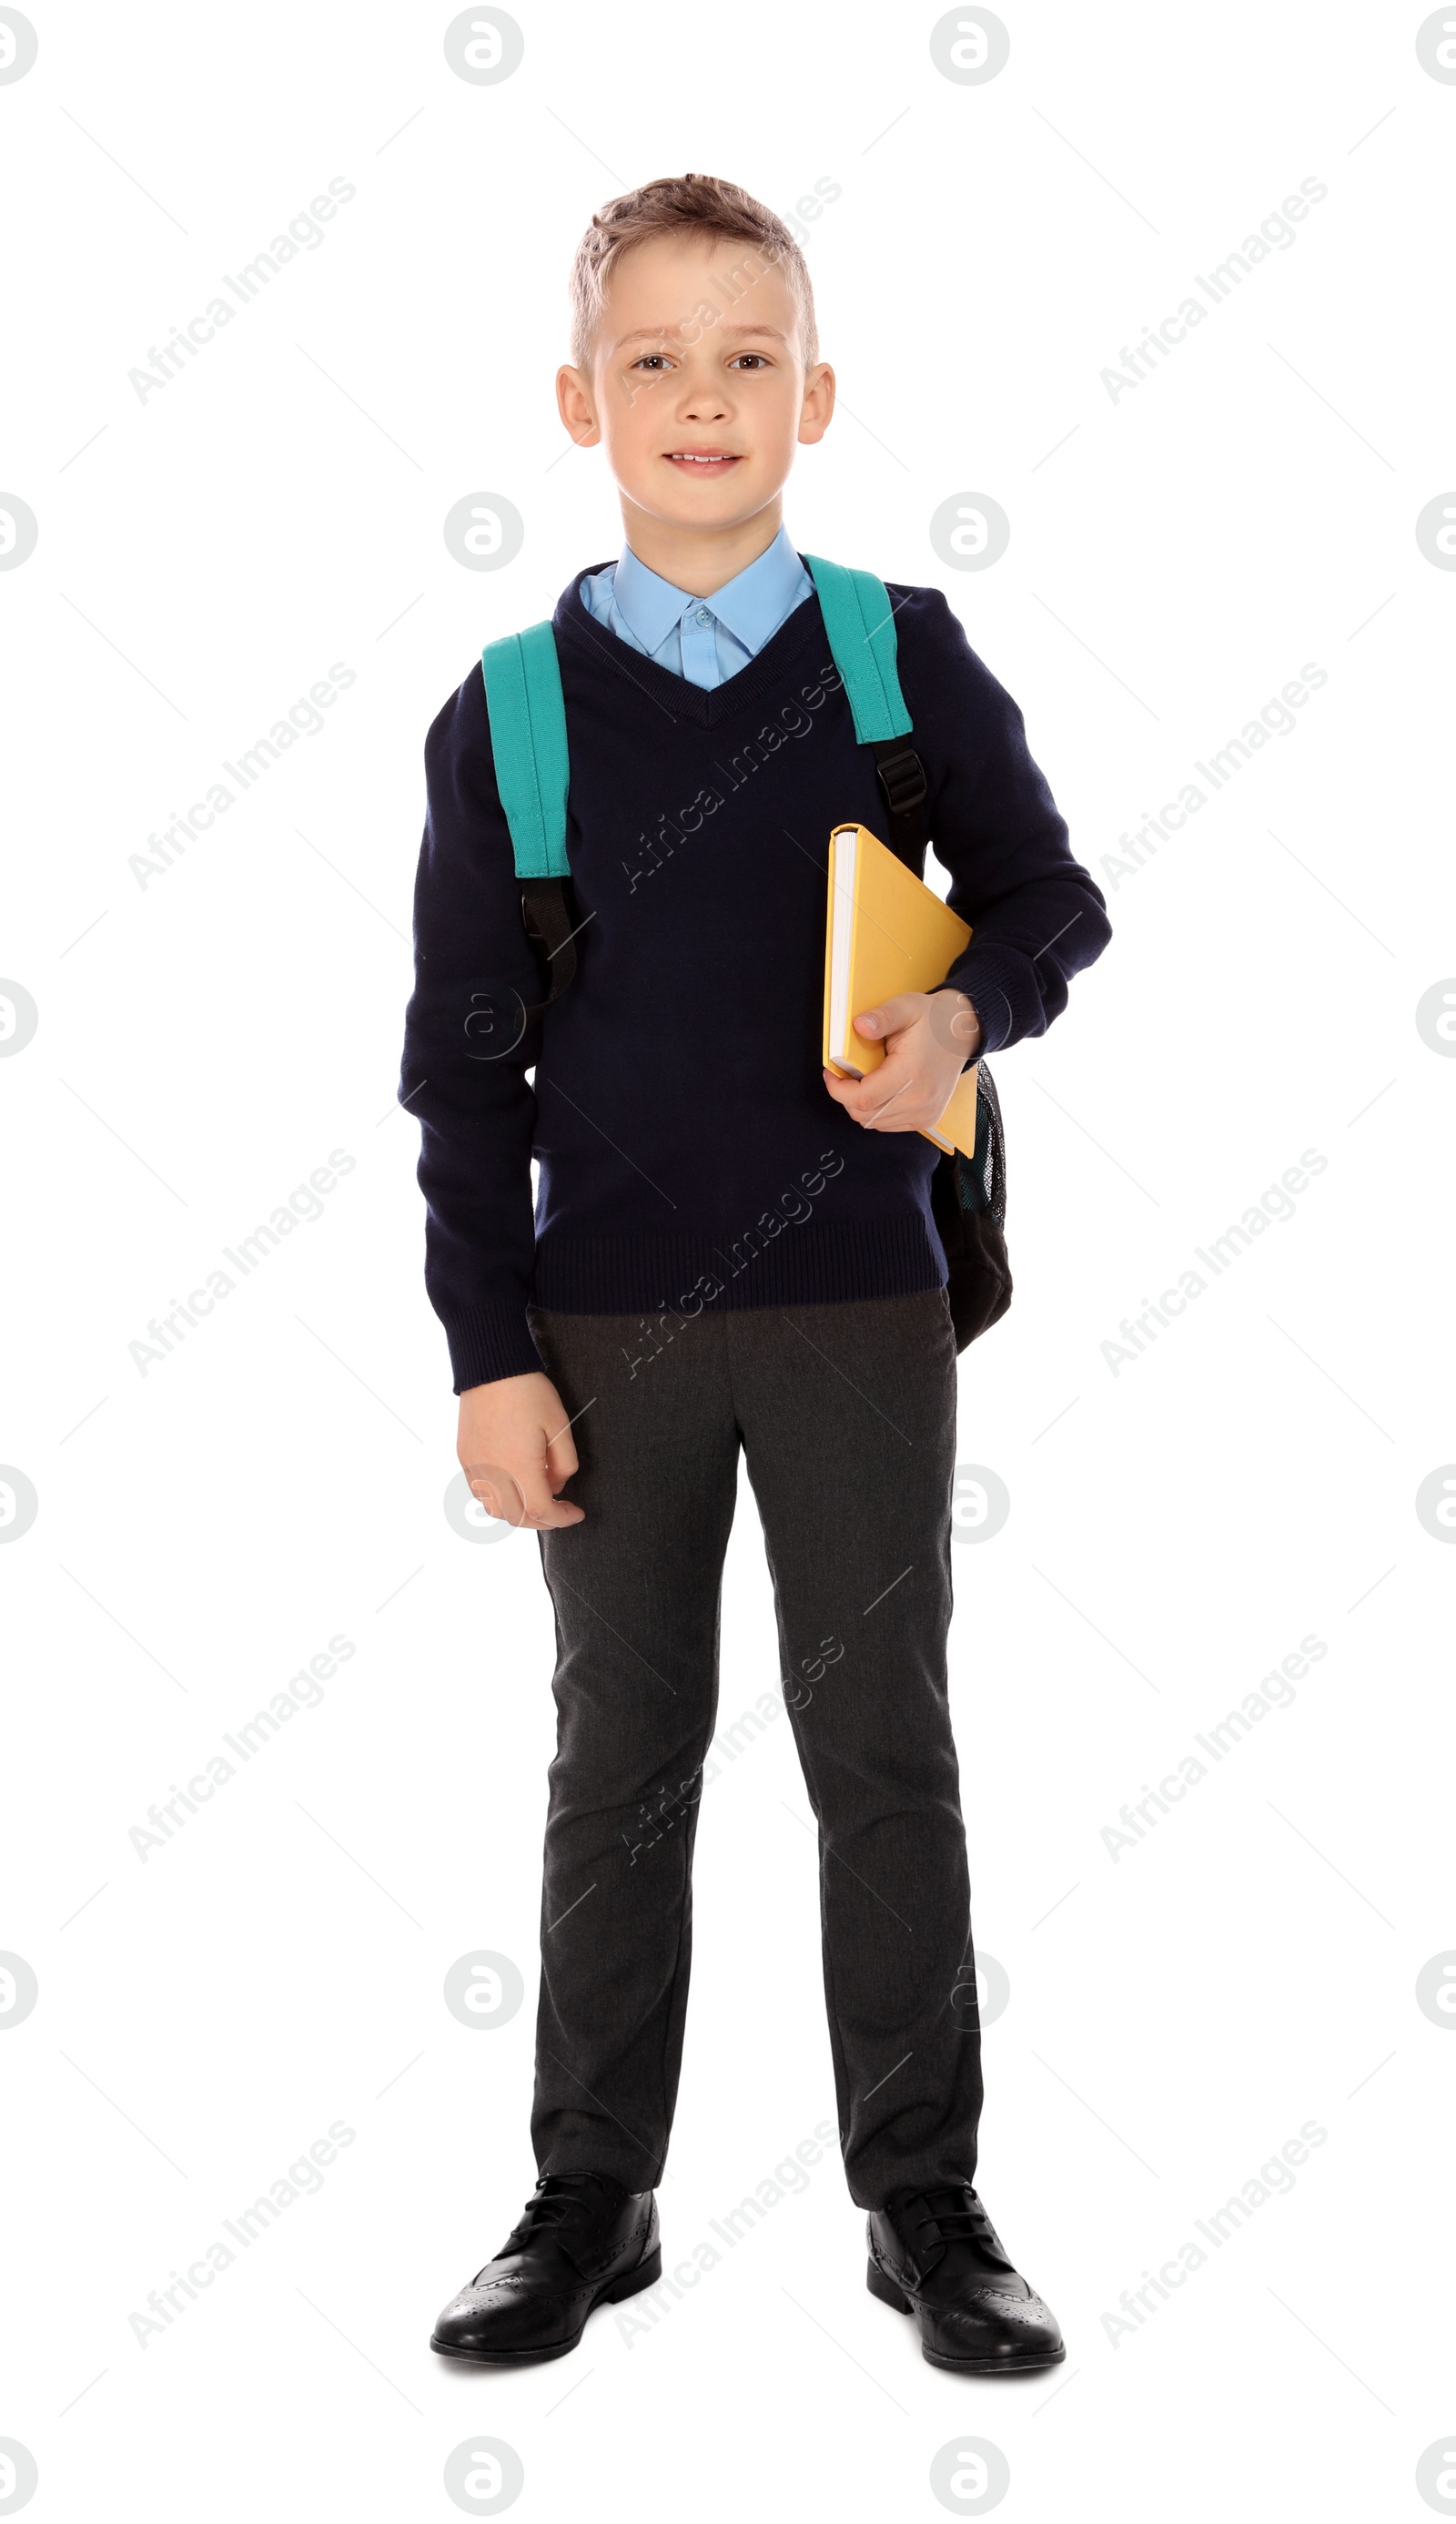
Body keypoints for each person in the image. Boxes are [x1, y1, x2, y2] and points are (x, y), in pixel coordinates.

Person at [400, 172, 1110, 2374]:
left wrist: (963, 1015)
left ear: (812, 392)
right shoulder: (508, 716)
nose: (697, 398)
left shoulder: (898, 654)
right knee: (617, 1753)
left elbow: (1050, 903)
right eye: (650, 359)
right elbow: (455, 1081)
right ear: (575, 400)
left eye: (741, 358)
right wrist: (486, 1351)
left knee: (876, 1742)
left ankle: (925, 2200)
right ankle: (584, 2194)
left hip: (859, 1306)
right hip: (602, 1322)